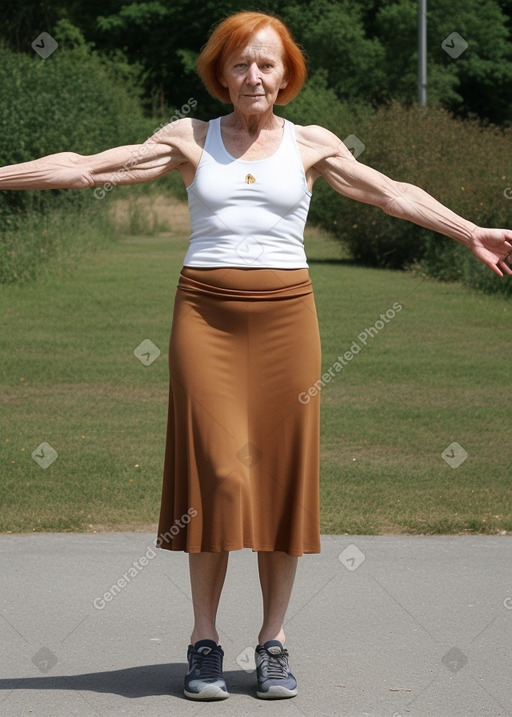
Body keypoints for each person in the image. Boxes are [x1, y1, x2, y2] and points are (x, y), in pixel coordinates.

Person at [1, 9, 511, 703]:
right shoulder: (190, 137)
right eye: (240, 62)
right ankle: (203, 639)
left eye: (266, 63)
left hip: (287, 321)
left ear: (286, 72)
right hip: (204, 316)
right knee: (214, 477)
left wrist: (467, 231)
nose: (253, 75)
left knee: (278, 479)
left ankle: (272, 641)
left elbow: (391, 192)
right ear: (222, 71)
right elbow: (86, 168)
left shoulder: (311, 144)